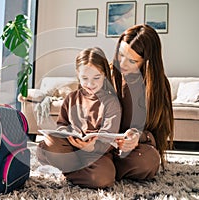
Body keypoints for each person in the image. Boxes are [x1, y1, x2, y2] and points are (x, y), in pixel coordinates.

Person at [36, 47, 122, 188]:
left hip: (96, 154)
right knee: (47, 145)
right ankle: (76, 170)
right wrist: (67, 134)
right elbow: (62, 123)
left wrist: (91, 146)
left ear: (105, 75)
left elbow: (109, 136)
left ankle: (68, 173)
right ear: (78, 75)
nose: (90, 84)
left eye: (96, 78)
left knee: (102, 178)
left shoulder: (111, 102)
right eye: (85, 78)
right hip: (71, 149)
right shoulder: (71, 98)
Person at [111, 24, 174, 180]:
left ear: (147, 62)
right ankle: (101, 167)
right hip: (102, 144)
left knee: (149, 161)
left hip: (133, 151)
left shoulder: (159, 86)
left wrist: (137, 137)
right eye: (121, 55)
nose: (123, 64)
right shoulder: (107, 73)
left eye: (132, 61)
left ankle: (100, 168)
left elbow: (159, 133)